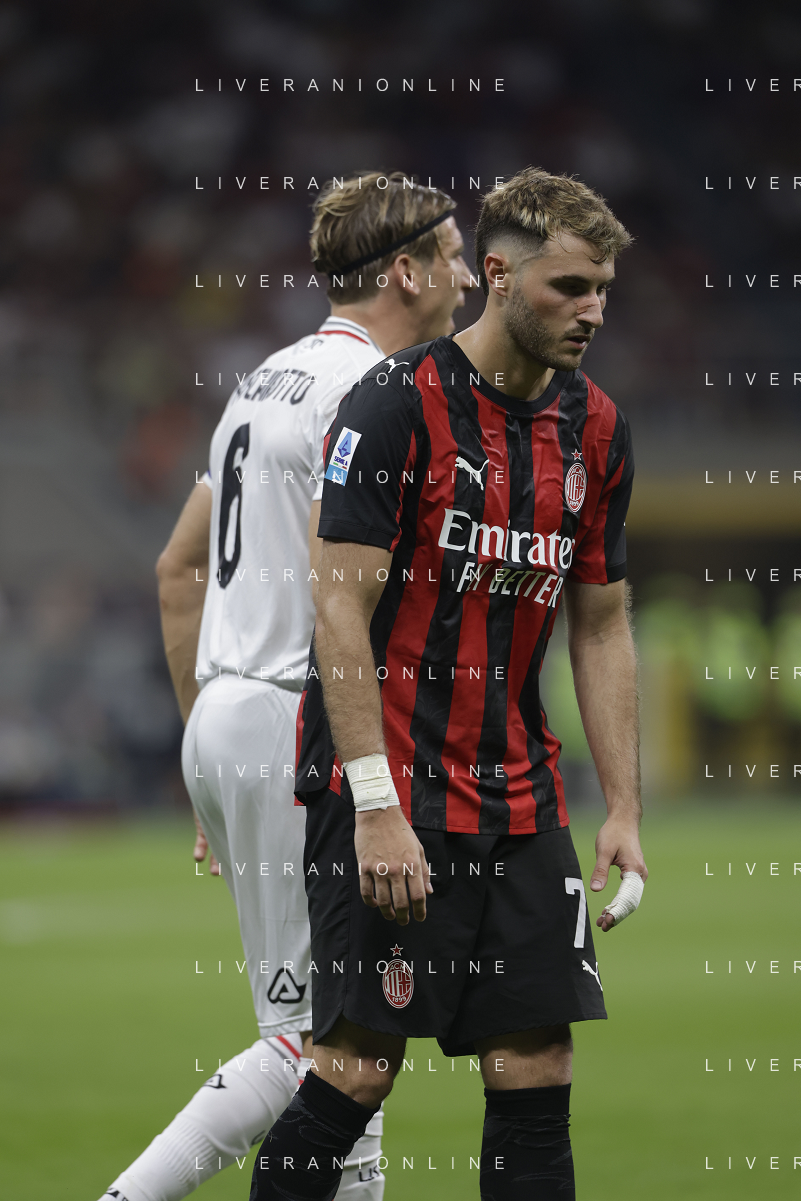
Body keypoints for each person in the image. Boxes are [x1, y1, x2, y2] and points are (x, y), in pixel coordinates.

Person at [251, 166, 648, 1201]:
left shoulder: (598, 429)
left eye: (603, 290)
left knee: (537, 1066)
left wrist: (624, 807)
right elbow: (338, 609)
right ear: (500, 275)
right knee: (354, 1070)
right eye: (569, 287)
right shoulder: (393, 404)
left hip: (519, 794)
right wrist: (376, 807)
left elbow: (601, 621)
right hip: (391, 787)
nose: (592, 311)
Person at [98, 171, 472, 1201]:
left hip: (228, 713)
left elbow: (177, 568)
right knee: (316, 1042)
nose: (470, 276)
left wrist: (208, 750)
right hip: (293, 722)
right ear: (404, 271)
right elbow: (342, 592)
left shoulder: (262, 380)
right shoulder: (373, 393)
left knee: (356, 1034)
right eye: (452, 254)